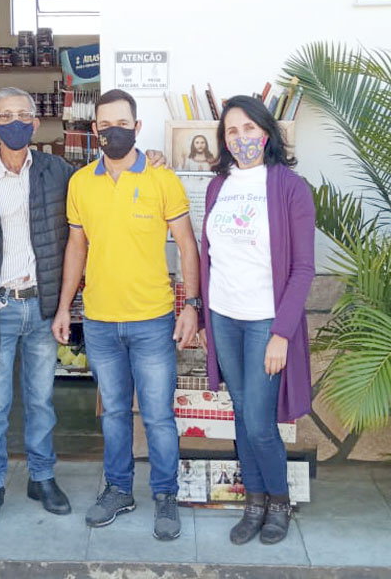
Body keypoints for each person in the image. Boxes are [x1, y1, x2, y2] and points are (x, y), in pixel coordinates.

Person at [0, 87, 166, 528]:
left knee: (42, 401)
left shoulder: (59, 173)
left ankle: (42, 477)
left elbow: (105, 177)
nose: (14, 122)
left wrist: (149, 158)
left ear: (36, 122)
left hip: (42, 306)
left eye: (22, 114)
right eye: (5, 115)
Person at [53, 89, 201, 541]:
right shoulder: (81, 182)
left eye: (122, 123)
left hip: (153, 320)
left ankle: (166, 494)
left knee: (157, 416)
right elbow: (76, 247)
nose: (113, 131)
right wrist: (65, 307)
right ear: (94, 129)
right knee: (114, 413)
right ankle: (118, 489)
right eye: (105, 125)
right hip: (100, 321)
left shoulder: (161, 178)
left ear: (137, 127)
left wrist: (191, 305)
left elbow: (187, 246)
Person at [198, 95, 315, 546]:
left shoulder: (289, 187)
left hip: (266, 321)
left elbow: (303, 268)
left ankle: (278, 503)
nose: (241, 137)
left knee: (260, 423)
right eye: (232, 130)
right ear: (223, 140)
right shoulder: (218, 187)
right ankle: (254, 502)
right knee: (242, 413)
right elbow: (211, 257)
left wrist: (282, 333)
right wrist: (205, 319)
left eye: (249, 128)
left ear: (266, 132)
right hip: (224, 318)